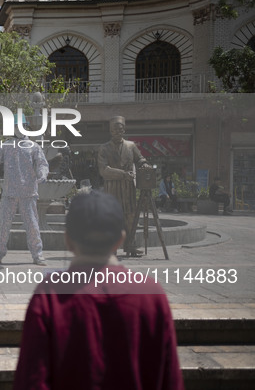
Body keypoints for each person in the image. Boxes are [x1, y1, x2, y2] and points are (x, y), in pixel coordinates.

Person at [13, 191, 184, 390]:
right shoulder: (151, 294)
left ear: (68, 241)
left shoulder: (49, 296)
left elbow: (31, 381)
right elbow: (170, 380)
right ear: (120, 240)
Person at [0, 130, 49, 266]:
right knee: (3, 224)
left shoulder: (33, 146)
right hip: (10, 192)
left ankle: (37, 255)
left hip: (28, 192)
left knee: (32, 224)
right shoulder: (6, 146)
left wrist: (42, 174)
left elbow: (42, 163)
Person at [98, 115, 151, 256]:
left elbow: (140, 159)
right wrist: (123, 174)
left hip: (128, 188)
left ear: (124, 130)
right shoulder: (104, 148)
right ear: (110, 131)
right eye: (115, 130)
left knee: (131, 216)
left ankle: (130, 245)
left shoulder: (131, 146)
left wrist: (144, 164)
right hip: (112, 187)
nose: (118, 132)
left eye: (120, 129)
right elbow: (103, 170)